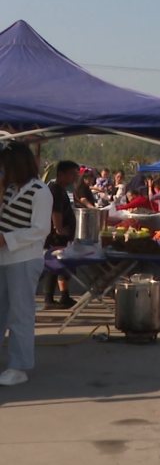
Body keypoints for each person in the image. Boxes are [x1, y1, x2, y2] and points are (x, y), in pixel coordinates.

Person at [0, 142, 53, 386]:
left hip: (24, 259)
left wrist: (7, 239)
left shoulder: (40, 191)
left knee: (20, 314)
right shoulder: (10, 189)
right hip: (4, 259)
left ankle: (19, 367)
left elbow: (41, 229)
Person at [42, 160, 79, 310]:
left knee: (62, 266)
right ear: (61, 174)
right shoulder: (55, 190)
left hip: (63, 237)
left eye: (76, 175)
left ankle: (64, 296)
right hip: (55, 237)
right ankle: (49, 298)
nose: (74, 178)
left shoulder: (61, 190)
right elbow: (55, 211)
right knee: (54, 265)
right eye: (71, 174)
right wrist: (59, 229)